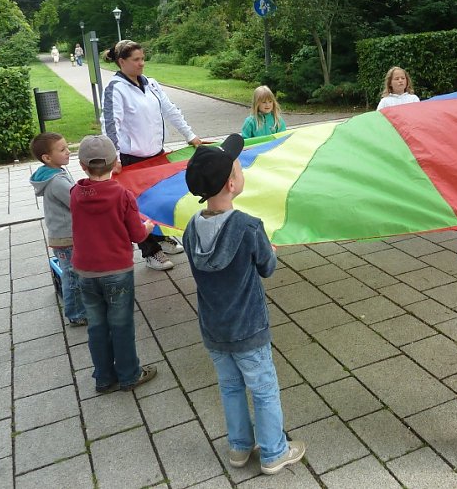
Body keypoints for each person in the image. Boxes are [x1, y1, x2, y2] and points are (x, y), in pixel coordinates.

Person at [181, 134, 306, 475]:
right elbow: (266, 267)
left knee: (231, 386)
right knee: (263, 388)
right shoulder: (249, 227)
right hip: (248, 327)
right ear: (233, 183)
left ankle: (239, 447)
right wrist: (267, 250)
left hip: (213, 327)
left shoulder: (191, 228)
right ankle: (273, 452)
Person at [102, 39, 200, 271]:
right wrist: (113, 157)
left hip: (156, 155)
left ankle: (159, 236)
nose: (141, 64)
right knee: (137, 207)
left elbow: (171, 110)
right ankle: (150, 251)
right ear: (121, 62)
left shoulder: (152, 84)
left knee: (159, 199)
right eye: (136, 60)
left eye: (142, 58)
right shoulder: (115, 88)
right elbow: (110, 124)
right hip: (130, 159)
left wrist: (190, 135)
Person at [70, 135, 157, 393]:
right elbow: (137, 235)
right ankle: (129, 374)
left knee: (97, 326)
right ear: (115, 163)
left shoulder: (75, 193)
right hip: (117, 271)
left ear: (83, 166)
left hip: (85, 271)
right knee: (121, 325)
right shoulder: (122, 195)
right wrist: (148, 227)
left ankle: (104, 377)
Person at [29, 132, 87, 327]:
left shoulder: (55, 173)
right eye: (62, 150)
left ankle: (79, 307)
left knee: (72, 273)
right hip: (67, 238)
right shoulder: (57, 181)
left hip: (63, 236)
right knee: (72, 275)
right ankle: (76, 313)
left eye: (67, 147)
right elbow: (77, 204)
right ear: (47, 157)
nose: (68, 152)